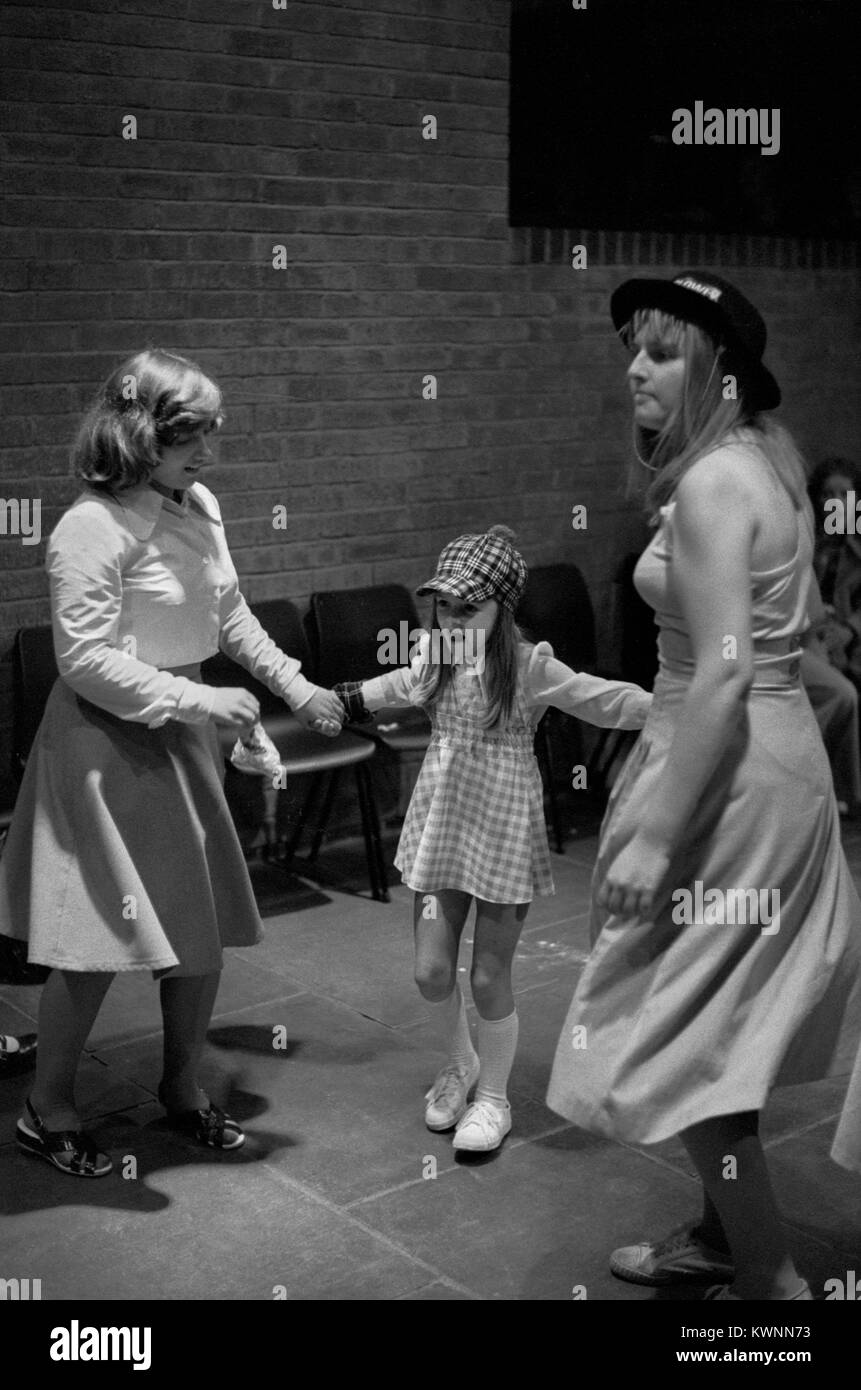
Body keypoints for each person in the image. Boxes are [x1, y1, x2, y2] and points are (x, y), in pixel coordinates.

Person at [546, 272, 861, 1300]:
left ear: (721, 370)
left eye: (663, 350)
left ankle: (771, 1287)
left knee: (678, 1034)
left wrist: (647, 834)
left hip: (722, 772)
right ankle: (728, 1234)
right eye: (632, 347)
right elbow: (788, 657)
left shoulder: (717, 483)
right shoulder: (763, 463)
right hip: (758, 763)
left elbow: (726, 669)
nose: (634, 367)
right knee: (712, 1028)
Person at [0, 349, 344, 1178]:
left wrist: (298, 687)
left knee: (197, 932)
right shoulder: (91, 525)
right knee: (92, 942)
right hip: (101, 742)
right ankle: (49, 1111)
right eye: (192, 435)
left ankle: (183, 1089)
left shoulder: (199, 505)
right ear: (136, 432)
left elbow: (230, 616)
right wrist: (200, 704)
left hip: (181, 733)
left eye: (212, 434)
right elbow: (80, 660)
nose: (209, 452)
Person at [334, 526, 652, 1153]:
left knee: (487, 975)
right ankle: (460, 1064)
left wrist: (677, 703)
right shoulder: (435, 657)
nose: (452, 620)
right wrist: (328, 701)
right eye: (443, 606)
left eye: (468, 607)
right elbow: (387, 688)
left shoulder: (531, 667)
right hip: (442, 826)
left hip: (503, 830)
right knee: (429, 972)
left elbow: (601, 699)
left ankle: (495, 1100)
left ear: (502, 608)